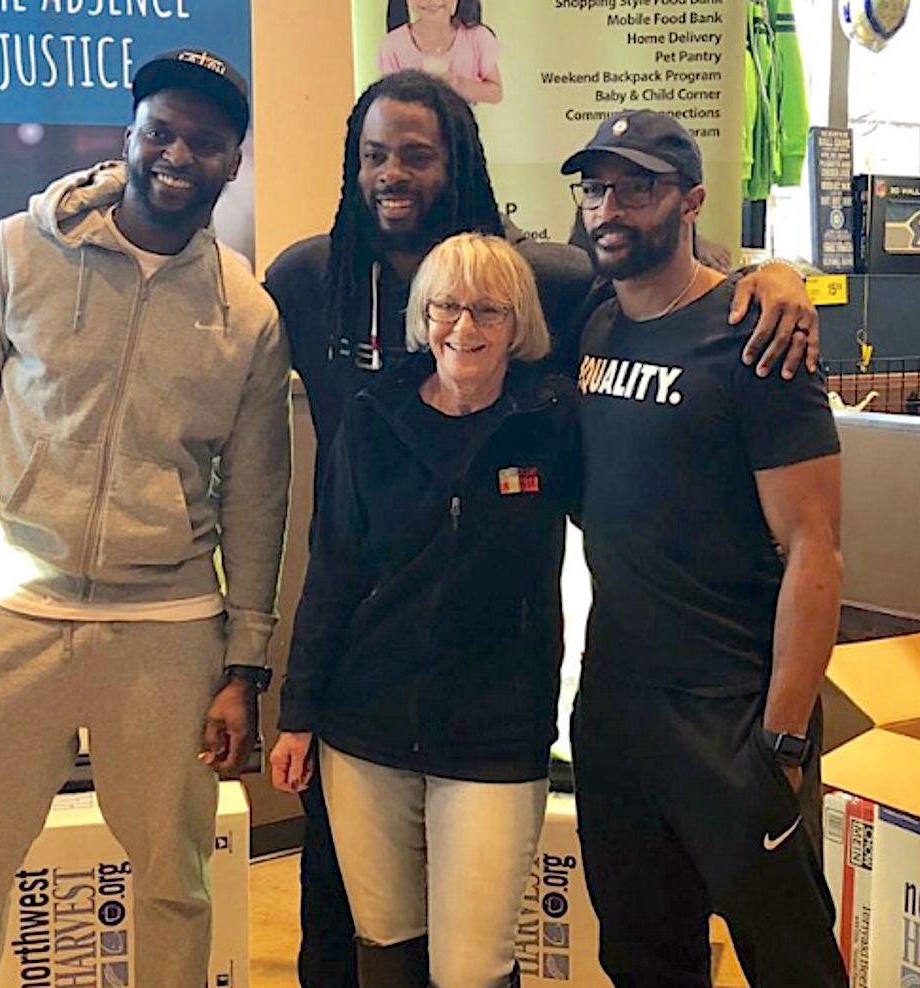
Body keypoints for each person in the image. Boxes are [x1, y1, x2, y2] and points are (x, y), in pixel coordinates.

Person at [264, 68, 822, 988]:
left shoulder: (552, 294)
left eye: (416, 154)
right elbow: (324, 556)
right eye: (373, 154)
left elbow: (678, 280)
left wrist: (776, 273)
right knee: (356, 934)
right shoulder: (307, 276)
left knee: (496, 955)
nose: (392, 172)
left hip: (568, 706)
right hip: (373, 695)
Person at [0, 48, 290, 988]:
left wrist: (244, 664)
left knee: (173, 885)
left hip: (166, 632)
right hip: (10, 619)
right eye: (160, 131)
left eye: (204, 142)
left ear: (232, 162)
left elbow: (255, 500)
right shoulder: (18, 252)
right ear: (129, 135)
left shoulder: (247, 313)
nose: (176, 155)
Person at [565, 110, 847, 987]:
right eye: (596, 187)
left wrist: (784, 741)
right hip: (614, 710)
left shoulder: (756, 337)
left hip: (732, 711)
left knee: (792, 961)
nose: (610, 208)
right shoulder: (592, 323)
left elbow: (815, 548)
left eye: (638, 187)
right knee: (644, 958)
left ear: (691, 202)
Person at [273, 232, 581, 988]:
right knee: (386, 948)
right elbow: (334, 571)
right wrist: (298, 714)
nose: (464, 329)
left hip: (494, 737)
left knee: (473, 966)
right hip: (364, 730)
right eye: (446, 306)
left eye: (488, 311)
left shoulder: (552, 420)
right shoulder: (374, 419)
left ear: (520, 324)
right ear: (422, 313)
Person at [378, 0, 503, 104]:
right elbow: (389, 99)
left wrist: (459, 84)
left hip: (461, 131)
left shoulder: (476, 38)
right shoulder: (393, 45)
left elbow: (496, 93)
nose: (430, 1)